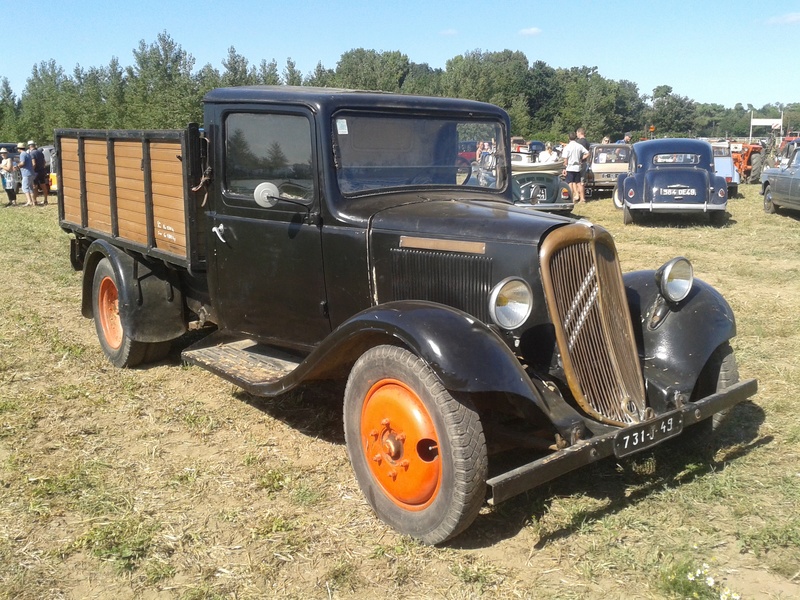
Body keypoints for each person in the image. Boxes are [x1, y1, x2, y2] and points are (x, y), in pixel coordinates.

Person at [562, 132, 589, 202]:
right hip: (577, 167)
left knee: (570, 183)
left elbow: (565, 159)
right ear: (575, 138)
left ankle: (571, 198)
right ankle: (582, 198)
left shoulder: (567, 147)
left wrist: (564, 167)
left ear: (568, 138)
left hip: (570, 167)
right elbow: (587, 153)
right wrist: (581, 158)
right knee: (578, 183)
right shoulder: (579, 146)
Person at [28, 141, 49, 205]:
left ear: (29, 146)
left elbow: (34, 164)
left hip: (36, 172)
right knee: (43, 185)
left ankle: (34, 200)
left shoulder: (32, 153)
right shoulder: (40, 153)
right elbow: (44, 162)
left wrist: (32, 171)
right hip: (42, 171)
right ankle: (45, 200)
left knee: (35, 186)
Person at [575, 129, 591, 202]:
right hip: (584, 163)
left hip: (580, 163)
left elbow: (582, 153)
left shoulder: (580, 142)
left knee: (577, 181)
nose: (576, 135)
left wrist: (580, 159)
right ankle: (582, 198)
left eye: (577, 133)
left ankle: (579, 197)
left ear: (579, 133)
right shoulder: (587, 141)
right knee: (582, 181)